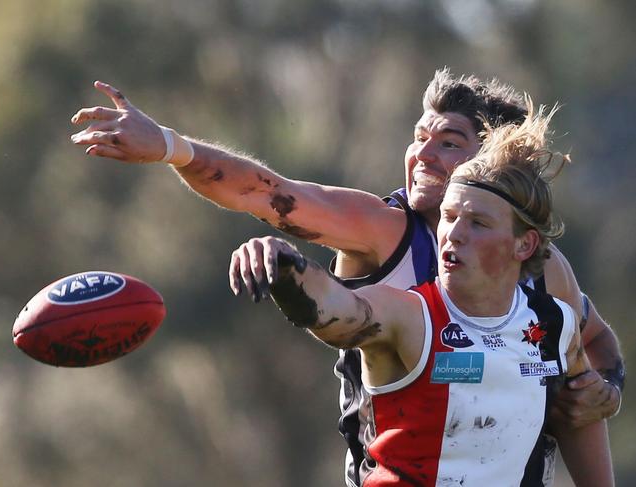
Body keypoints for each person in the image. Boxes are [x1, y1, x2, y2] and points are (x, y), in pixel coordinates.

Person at [70, 69, 623, 480]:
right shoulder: (382, 228)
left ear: (495, 162)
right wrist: (169, 146)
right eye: (419, 136)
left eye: (449, 142)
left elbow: (596, 346)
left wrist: (605, 390)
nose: (421, 154)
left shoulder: (545, 271)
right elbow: (263, 193)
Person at [227, 107, 614, 486]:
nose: (454, 234)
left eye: (477, 223)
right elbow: (332, 308)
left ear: (524, 244)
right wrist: (284, 265)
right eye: (448, 216)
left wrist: (609, 391)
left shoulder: (555, 325)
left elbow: (580, 413)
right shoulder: (408, 315)